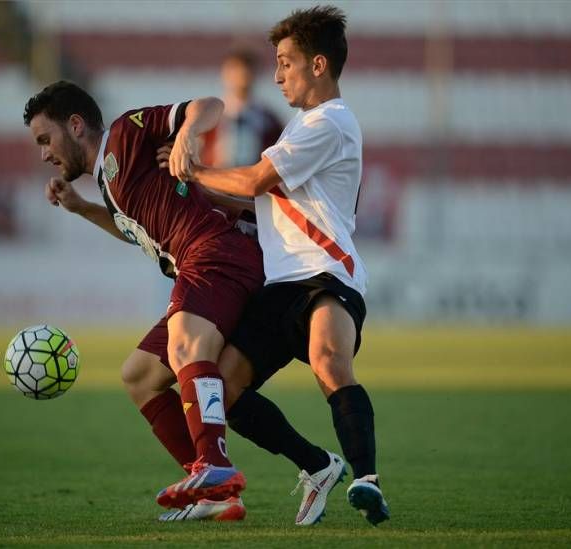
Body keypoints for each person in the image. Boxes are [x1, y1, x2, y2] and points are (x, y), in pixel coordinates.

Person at [23, 82, 341, 524]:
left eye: (45, 139)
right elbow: (136, 231)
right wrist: (81, 208)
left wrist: (188, 136)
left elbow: (209, 105)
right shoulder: (108, 181)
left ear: (75, 125)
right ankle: (216, 491)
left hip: (216, 253)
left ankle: (214, 465)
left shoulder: (124, 134)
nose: (44, 155)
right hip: (202, 264)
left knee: (186, 345)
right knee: (139, 376)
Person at [168, 5, 390, 526]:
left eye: (286, 62)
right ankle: (316, 465)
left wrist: (195, 170)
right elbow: (263, 201)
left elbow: (252, 183)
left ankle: (367, 480)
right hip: (280, 281)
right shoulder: (300, 125)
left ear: (318, 65)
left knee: (328, 360)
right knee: (223, 389)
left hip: (326, 274)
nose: (276, 74)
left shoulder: (331, 122)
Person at [202, 48, 282, 169]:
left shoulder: (269, 120)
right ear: (224, 72)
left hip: (252, 183)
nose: (241, 75)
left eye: (247, 70)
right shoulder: (207, 116)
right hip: (210, 183)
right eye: (234, 69)